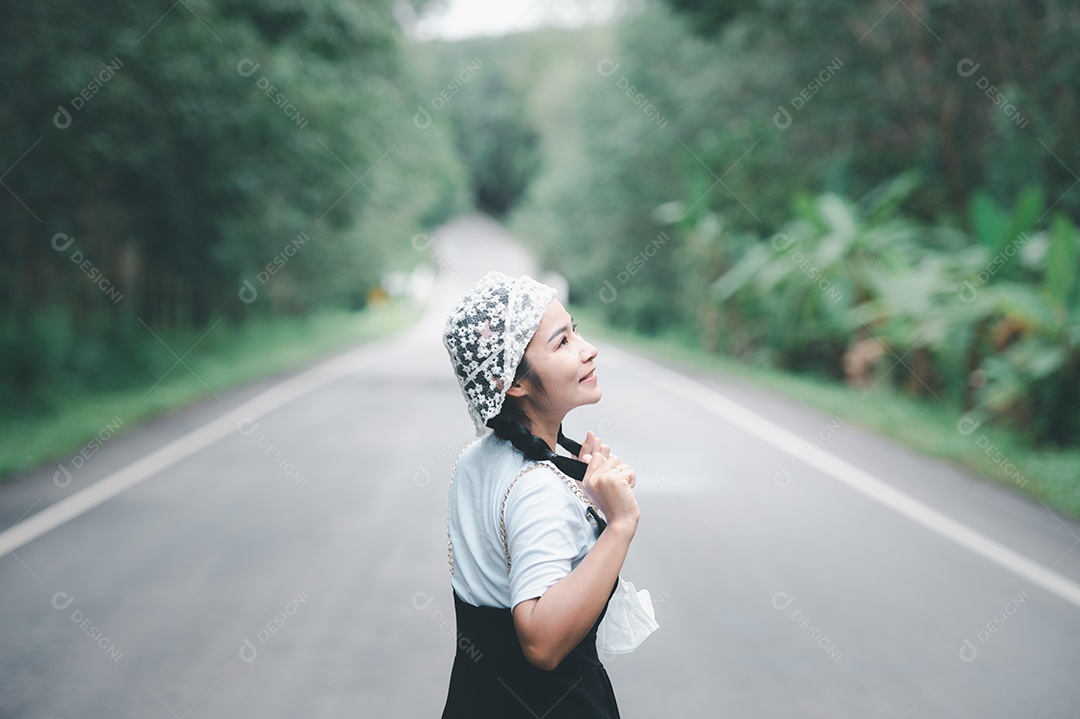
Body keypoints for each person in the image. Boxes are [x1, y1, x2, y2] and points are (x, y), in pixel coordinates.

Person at [440, 271, 642, 719]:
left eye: (576, 330)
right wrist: (620, 526)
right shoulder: (537, 486)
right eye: (562, 342)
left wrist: (581, 491)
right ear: (513, 383)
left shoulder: (476, 457)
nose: (589, 349)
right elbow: (542, 642)